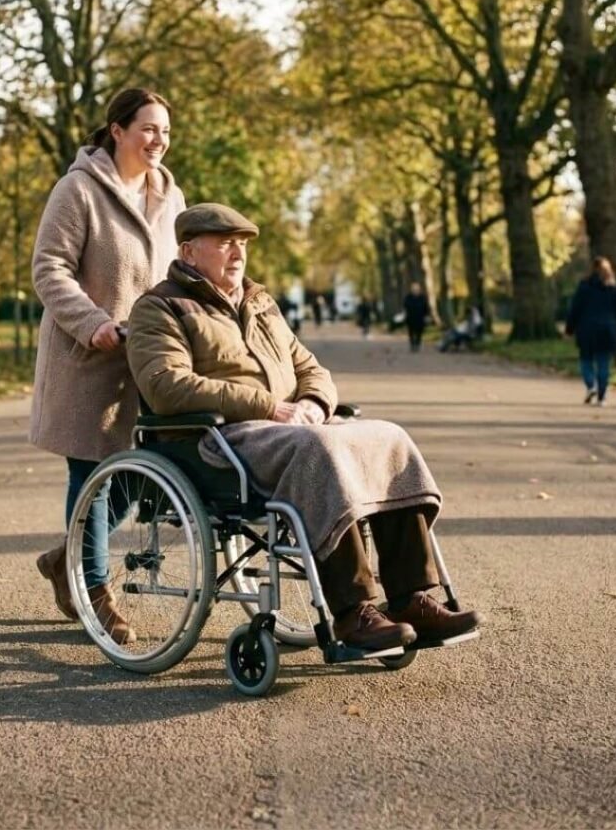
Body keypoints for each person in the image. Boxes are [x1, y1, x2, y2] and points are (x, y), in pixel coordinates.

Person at [126, 203, 482, 651]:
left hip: (289, 426)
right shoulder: (159, 307)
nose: (237, 253)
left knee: (387, 438)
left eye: (242, 244)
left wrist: (313, 402)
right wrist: (269, 406)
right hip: (218, 439)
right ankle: (354, 613)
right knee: (319, 449)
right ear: (189, 251)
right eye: (224, 244)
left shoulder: (261, 303)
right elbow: (166, 387)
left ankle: (411, 599)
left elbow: (310, 368)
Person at [29, 88, 186, 643]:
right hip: (88, 358)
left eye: (165, 130)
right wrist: (93, 321)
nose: (159, 140)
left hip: (150, 359)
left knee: (156, 473)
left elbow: (183, 272)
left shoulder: (171, 196)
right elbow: (49, 269)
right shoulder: (78, 190)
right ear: (117, 131)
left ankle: (67, 556)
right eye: (148, 128)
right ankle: (94, 590)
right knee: (92, 473)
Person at [565, 256, 616, 406]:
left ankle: (590, 385)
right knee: (603, 362)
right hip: (608, 329)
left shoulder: (584, 286)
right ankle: (602, 397)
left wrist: (569, 329)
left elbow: (576, 309)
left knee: (586, 360)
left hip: (587, 328)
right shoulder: (613, 288)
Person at [403, 283, 429, 352]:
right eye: (414, 289)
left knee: (419, 331)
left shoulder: (422, 298)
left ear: (419, 290)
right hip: (410, 317)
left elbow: (426, 308)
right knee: (411, 331)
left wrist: (426, 316)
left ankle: (417, 344)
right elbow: (405, 307)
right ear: (411, 290)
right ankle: (412, 344)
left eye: (417, 289)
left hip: (420, 317)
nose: (415, 291)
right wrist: (405, 315)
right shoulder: (408, 297)